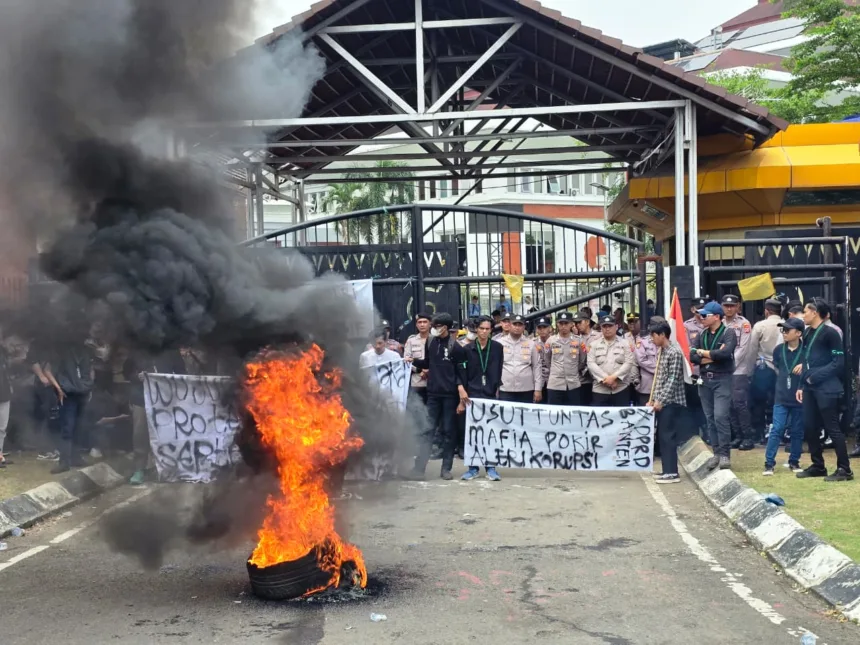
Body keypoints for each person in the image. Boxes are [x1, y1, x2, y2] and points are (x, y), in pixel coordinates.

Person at [406, 312, 469, 481]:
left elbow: (460, 373)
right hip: (433, 394)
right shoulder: (431, 342)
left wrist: (460, 394)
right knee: (428, 431)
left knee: (449, 432)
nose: (433, 329)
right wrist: (412, 361)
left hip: (450, 396)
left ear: (445, 328)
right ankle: (419, 469)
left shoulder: (456, 347)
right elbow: (427, 363)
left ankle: (446, 469)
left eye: (436, 326)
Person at [796, 299, 853, 482]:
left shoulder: (831, 333)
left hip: (827, 388)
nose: (803, 315)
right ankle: (818, 465)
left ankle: (844, 469)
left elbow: (838, 363)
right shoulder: (807, 333)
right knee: (809, 426)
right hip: (810, 387)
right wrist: (801, 385)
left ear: (815, 312)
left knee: (832, 428)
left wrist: (816, 376)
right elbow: (805, 360)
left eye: (805, 311)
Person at [123, 348, 185, 485]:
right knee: (140, 434)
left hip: (165, 400)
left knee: (165, 434)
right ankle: (139, 469)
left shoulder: (171, 351)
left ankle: (165, 469)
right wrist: (137, 376)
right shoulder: (136, 350)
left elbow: (182, 374)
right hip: (141, 398)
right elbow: (126, 372)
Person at [691, 301, 738, 470]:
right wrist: (712, 356)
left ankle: (725, 454)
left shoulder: (728, 332)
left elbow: (725, 353)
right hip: (705, 379)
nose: (701, 318)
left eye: (705, 315)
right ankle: (716, 452)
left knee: (720, 416)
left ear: (717, 317)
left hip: (722, 379)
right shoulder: (702, 334)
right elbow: (692, 355)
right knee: (710, 418)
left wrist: (703, 353)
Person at [460, 316, 504, 481]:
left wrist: (496, 390)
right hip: (472, 395)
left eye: (487, 328)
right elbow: (462, 374)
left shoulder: (498, 348)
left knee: (490, 431)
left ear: (491, 330)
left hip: (490, 394)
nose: (484, 331)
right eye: (482, 328)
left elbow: (498, 370)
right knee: (472, 433)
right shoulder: (468, 349)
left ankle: (491, 467)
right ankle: (472, 467)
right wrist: (463, 394)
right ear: (476, 329)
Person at [44, 342, 96, 474]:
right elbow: (47, 370)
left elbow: (90, 370)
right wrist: (58, 389)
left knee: (79, 426)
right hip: (67, 394)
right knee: (67, 427)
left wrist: (89, 387)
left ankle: (75, 458)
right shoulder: (61, 350)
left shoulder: (86, 350)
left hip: (82, 393)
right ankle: (64, 462)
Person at [763, 318, 806, 475]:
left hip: (800, 396)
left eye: (788, 330)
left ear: (799, 333)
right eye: (783, 330)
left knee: (797, 430)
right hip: (781, 395)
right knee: (777, 428)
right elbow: (777, 367)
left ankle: (794, 461)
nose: (784, 333)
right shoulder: (778, 350)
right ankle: (769, 463)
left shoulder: (806, 350)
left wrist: (806, 367)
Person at [647, 320, 687, 484]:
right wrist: (652, 399)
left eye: (654, 336)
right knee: (662, 436)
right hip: (661, 401)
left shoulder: (674, 352)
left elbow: (672, 380)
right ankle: (666, 469)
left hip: (671, 402)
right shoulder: (662, 351)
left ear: (662, 335)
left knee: (667, 436)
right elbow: (659, 378)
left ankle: (672, 472)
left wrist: (661, 400)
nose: (652, 340)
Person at [722, 294, 755, 451]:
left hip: (738, 369)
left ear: (737, 307)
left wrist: (729, 363)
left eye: (732, 306)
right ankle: (737, 436)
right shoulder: (719, 322)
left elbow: (743, 347)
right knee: (728, 405)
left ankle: (747, 437)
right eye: (726, 306)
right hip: (723, 370)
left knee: (739, 404)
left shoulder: (744, 324)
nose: (729, 308)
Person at [749, 298, 784, 440]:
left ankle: (760, 433)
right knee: (779, 401)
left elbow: (752, 349)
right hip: (781, 368)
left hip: (763, 367)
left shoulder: (760, 326)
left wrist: (750, 370)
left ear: (766, 311)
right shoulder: (786, 325)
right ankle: (779, 431)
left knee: (759, 401)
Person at [588, 314, 637, 406]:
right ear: (601, 328)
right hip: (600, 389)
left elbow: (629, 362)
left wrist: (614, 377)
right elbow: (591, 364)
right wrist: (606, 379)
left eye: (610, 326)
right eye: (604, 326)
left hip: (620, 388)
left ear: (616, 327)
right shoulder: (593, 345)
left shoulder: (625, 343)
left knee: (622, 419)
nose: (607, 329)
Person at [498, 314, 544, 405]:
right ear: (510, 325)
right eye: (515, 324)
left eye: (520, 325)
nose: (517, 327)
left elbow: (537, 367)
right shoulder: (499, 343)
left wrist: (538, 389)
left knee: (525, 418)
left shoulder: (531, 344)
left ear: (524, 327)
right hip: (505, 388)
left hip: (526, 389)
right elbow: (495, 367)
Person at [544, 311, 585, 405]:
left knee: (573, 415)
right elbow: (547, 360)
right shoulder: (551, 341)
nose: (563, 326)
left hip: (573, 384)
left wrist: (572, 369)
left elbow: (582, 360)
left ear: (571, 324)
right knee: (554, 415)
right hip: (555, 384)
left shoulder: (578, 341)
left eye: (566, 323)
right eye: (561, 323)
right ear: (557, 324)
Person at [632, 316, 661, 406]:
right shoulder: (642, 342)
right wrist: (660, 368)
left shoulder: (667, 341)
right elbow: (641, 361)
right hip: (647, 385)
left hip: (663, 386)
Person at [404, 312, 431, 405]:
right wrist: (420, 370)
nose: (422, 324)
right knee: (417, 410)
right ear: (416, 324)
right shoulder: (411, 340)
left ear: (430, 324)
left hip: (433, 382)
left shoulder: (435, 340)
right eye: (419, 322)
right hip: (417, 382)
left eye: (425, 322)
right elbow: (406, 360)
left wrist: (429, 371)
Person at [575, 310, 600, 406]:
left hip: (596, 378)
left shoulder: (598, 336)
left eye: (579, 322)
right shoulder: (575, 338)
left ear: (587, 322)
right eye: (576, 323)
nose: (577, 325)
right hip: (581, 379)